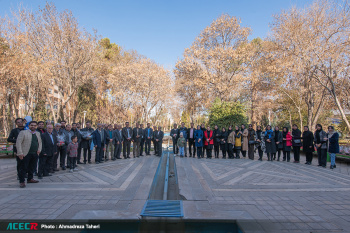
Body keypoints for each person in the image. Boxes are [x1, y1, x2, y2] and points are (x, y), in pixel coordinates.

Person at [16, 121, 42, 188]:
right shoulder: (23, 133)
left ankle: (30, 179)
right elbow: (18, 143)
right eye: (31, 125)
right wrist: (20, 153)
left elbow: (40, 143)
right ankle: (22, 181)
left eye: (34, 125)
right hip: (25, 153)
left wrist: (39, 150)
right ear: (29, 126)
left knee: (32, 167)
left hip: (35, 153)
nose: (33, 126)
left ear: (36, 126)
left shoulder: (37, 133)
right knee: (23, 168)